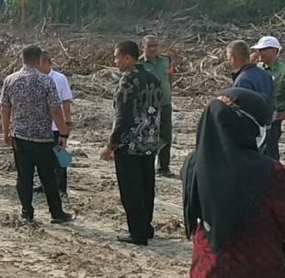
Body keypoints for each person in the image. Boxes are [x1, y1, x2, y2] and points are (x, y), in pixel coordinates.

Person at [182, 87, 285, 277]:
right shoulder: (271, 171)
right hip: (258, 266)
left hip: (207, 267)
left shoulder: (193, 164)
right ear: (248, 126)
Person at [0, 44, 72, 224]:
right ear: (39, 60)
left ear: (22, 59)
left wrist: (5, 132)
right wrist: (63, 133)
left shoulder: (10, 80)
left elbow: (4, 108)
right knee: (47, 176)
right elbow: (56, 110)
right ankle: (56, 213)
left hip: (19, 136)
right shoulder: (46, 81)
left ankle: (27, 211)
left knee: (24, 176)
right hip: (42, 137)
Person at [101, 41, 162, 246]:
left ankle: (138, 233)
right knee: (147, 186)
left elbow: (124, 117)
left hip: (130, 144)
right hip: (150, 140)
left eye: (117, 57)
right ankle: (146, 226)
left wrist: (111, 144)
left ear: (128, 58)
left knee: (131, 189)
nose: (115, 61)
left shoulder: (128, 80)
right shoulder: (154, 77)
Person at [37, 50, 73, 201]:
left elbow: (66, 100)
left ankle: (61, 188)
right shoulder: (35, 79)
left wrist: (67, 120)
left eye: (40, 64)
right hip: (41, 126)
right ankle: (44, 185)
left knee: (60, 157)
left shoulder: (60, 78)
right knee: (43, 159)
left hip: (57, 126)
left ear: (47, 63)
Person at [228, 40, 275, 154]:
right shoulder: (266, 75)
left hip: (251, 136)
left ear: (232, 57)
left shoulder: (242, 80)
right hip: (268, 127)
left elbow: (242, 113)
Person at [139, 35, 176, 176]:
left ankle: (163, 167)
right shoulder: (139, 64)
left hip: (165, 105)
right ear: (143, 47)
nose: (153, 48)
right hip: (148, 108)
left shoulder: (166, 60)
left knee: (165, 137)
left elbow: (170, 78)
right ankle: (146, 167)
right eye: (150, 46)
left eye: (155, 45)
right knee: (148, 136)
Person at [252, 36, 285, 161]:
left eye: (263, 49)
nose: (259, 53)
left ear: (274, 51)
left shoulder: (282, 70)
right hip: (257, 115)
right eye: (258, 50)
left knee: (270, 149)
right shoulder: (257, 68)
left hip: (274, 116)